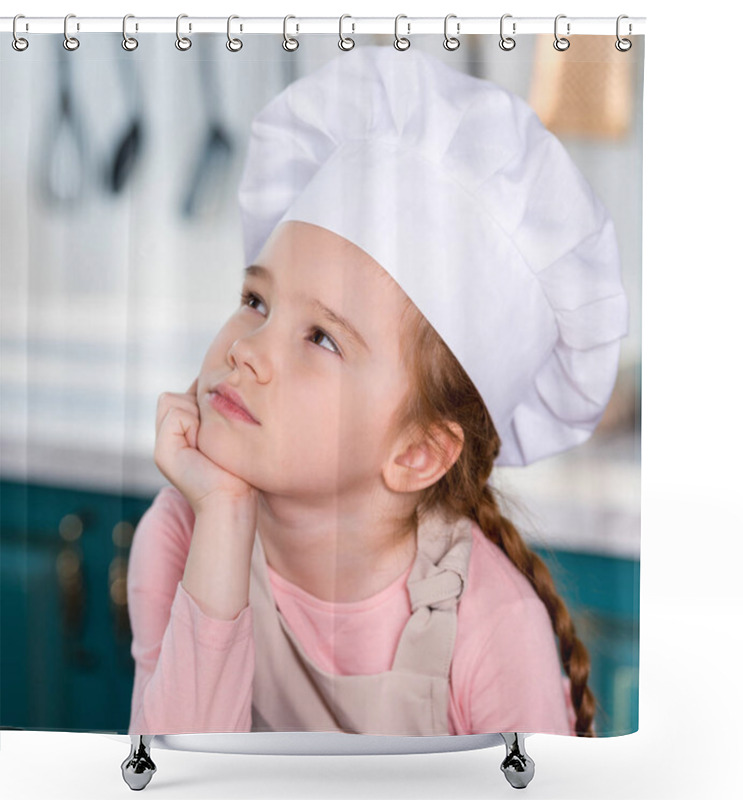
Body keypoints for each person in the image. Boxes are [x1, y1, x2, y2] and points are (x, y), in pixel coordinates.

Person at [127, 45, 627, 738]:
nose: (247, 349)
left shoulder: (490, 626)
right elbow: (171, 778)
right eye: (255, 299)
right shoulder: (184, 533)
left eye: (322, 338)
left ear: (418, 452)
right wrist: (223, 517)